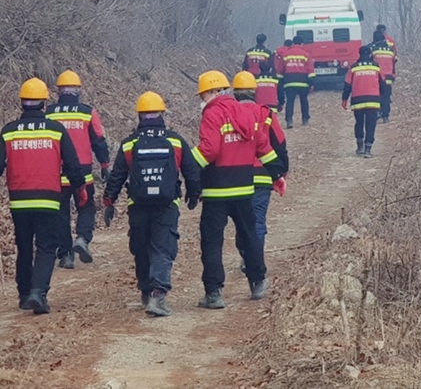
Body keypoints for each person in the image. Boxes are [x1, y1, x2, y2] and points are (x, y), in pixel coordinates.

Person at [0, 77, 84, 315]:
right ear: (44, 103)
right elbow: (73, 165)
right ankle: (38, 292)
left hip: (19, 199)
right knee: (45, 247)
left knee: (23, 246)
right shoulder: (55, 130)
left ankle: (23, 294)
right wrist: (80, 189)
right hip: (48, 198)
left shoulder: (9, 131)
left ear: (22, 103)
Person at [101, 91, 201, 317]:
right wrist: (194, 194)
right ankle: (158, 295)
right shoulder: (175, 140)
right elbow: (191, 170)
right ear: (162, 114)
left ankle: (146, 291)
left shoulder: (129, 144)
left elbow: (117, 175)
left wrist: (109, 201)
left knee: (141, 248)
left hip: (138, 205)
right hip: (167, 204)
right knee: (163, 248)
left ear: (139, 116)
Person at [191, 70, 285, 309]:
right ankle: (258, 282)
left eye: (204, 94)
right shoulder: (246, 113)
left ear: (213, 92)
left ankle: (214, 293)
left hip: (216, 190)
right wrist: (277, 174)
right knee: (249, 235)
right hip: (244, 187)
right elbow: (263, 146)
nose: (202, 98)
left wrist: (188, 167)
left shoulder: (213, 114)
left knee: (212, 242)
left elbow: (209, 150)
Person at [45, 69, 109, 268]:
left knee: (61, 213)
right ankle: (82, 238)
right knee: (86, 207)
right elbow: (98, 140)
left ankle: (65, 256)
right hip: (83, 172)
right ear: (77, 90)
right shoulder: (87, 112)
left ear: (59, 91)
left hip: (57, 172)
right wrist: (105, 164)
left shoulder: (48, 114)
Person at [232, 71, 288, 258]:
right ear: (254, 93)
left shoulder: (227, 114)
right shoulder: (266, 113)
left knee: (242, 220)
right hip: (263, 175)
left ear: (234, 94)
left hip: (235, 176)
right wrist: (280, 172)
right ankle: (253, 260)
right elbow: (279, 143)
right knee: (258, 220)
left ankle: (245, 252)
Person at [342, 46, 385, 158]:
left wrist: (344, 100)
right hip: (373, 100)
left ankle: (359, 146)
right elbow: (383, 84)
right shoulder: (376, 66)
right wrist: (382, 99)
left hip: (357, 100)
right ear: (371, 54)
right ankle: (368, 149)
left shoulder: (353, 67)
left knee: (359, 123)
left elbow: (347, 85)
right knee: (371, 125)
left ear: (359, 54)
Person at [281, 35, 314, 128]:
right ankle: (305, 119)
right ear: (301, 44)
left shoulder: (286, 54)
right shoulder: (306, 54)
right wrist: (311, 83)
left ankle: (289, 121)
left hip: (289, 82)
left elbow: (281, 69)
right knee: (304, 101)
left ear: (293, 43)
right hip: (303, 82)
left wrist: (281, 81)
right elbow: (310, 71)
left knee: (290, 102)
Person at [371, 30, 397, 122]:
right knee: (386, 97)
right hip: (388, 77)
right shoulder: (390, 51)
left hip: (377, 78)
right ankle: (386, 116)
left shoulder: (374, 51)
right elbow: (394, 63)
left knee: (377, 96)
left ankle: (378, 112)